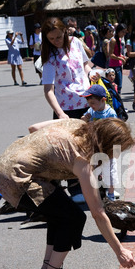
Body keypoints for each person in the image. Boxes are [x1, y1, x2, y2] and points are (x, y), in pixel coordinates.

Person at [0, 118, 135, 269]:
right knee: (73, 218)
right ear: (107, 146)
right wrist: (120, 251)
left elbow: (33, 128)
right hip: (17, 180)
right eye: (117, 151)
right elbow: (98, 213)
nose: (116, 156)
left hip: (5, 164)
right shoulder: (83, 159)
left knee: (60, 214)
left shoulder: (77, 123)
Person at [41, 17, 92, 203]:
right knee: (69, 152)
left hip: (87, 103)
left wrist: (92, 74)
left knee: (89, 148)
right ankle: (75, 188)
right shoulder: (49, 57)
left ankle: (94, 185)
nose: (56, 41)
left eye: (59, 36)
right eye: (51, 39)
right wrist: (60, 113)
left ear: (65, 31)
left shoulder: (76, 43)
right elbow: (48, 90)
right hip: (66, 111)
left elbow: (86, 66)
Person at [80, 84, 119, 200]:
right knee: (95, 168)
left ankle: (111, 193)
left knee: (110, 169)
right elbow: (83, 121)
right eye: (89, 104)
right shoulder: (91, 111)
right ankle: (97, 192)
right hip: (95, 146)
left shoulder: (110, 113)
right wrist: (84, 119)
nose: (91, 106)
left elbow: (116, 131)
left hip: (108, 146)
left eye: (93, 103)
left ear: (103, 100)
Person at [109, 24, 127, 94]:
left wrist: (122, 57)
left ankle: (117, 100)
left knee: (119, 86)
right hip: (114, 65)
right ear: (118, 31)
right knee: (115, 86)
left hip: (118, 65)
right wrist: (121, 58)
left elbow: (117, 53)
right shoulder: (113, 40)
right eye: (123, 32)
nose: (124, 34)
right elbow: (111, 54)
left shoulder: (119, 39)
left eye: (125, 32)